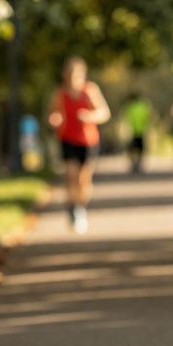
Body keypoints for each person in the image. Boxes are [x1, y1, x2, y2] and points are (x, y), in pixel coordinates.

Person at [47, 57, 110, 234]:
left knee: (84, 179)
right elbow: (53, 113)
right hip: (68, 138)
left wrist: (90, 116)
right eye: (70, 75)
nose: (73, 79)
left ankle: (80, 207)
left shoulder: (90, 90)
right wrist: (54, 120)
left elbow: (104, 113)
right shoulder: (61, 93)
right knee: (70, 175)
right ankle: (73, 208)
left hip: (88, 140)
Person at [122, 91, 151, 173]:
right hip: (140, 131)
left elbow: (125, 119)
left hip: (134, 131)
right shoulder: (144, 105)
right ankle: (137, 164)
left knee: (133, 149)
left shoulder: (130, 106)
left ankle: (136, 164)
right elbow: (148, 117)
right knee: (139, 149)